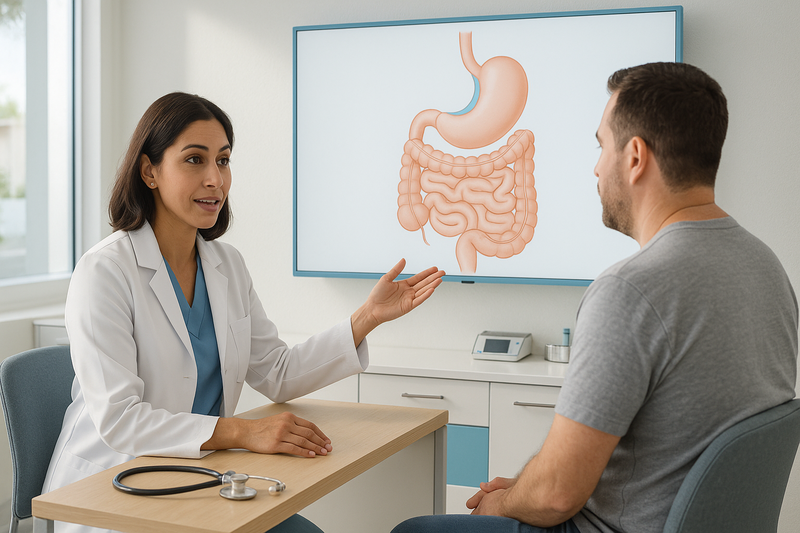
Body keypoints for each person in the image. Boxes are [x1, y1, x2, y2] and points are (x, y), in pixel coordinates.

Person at [392, 62, 798, 533]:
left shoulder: (632, 291)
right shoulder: (765, 267)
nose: (597, 166)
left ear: (635, 157)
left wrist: (501, 504)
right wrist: (524, 488)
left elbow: (555, 495)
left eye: (602, 145)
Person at [42, 92, 445, 533]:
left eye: (223, 160)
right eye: (194, 160)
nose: (215, 179)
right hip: (113, 489)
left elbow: (276, 371)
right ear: (149, 171)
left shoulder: (226, 265)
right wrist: (243, 432)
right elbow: (120, 420)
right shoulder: (105, 271)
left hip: (197, 480)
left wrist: (367, 317)